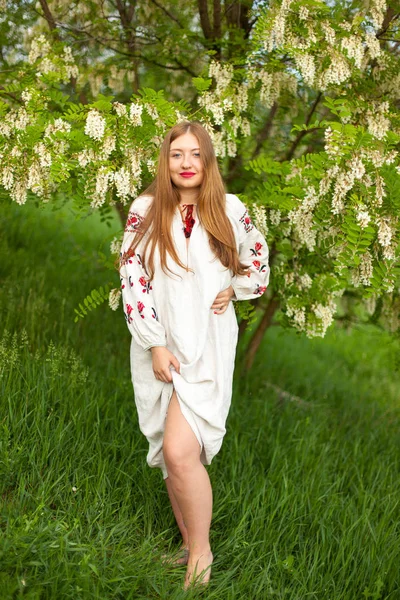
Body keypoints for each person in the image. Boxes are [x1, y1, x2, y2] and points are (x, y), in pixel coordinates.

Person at [119, 121, 270, 589]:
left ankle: (201, 555)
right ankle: (187, 544)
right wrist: (155, 343)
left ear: (208, 161)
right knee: (170, 451)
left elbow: (258, 259)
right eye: (176, 154)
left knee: (182, 450)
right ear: (165, 162)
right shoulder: (146, 209)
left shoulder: (229, 209)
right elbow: (133, 276)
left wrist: (236, 286)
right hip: (160, 345)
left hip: (207, 344)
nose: (186, 164)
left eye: (195, 154)